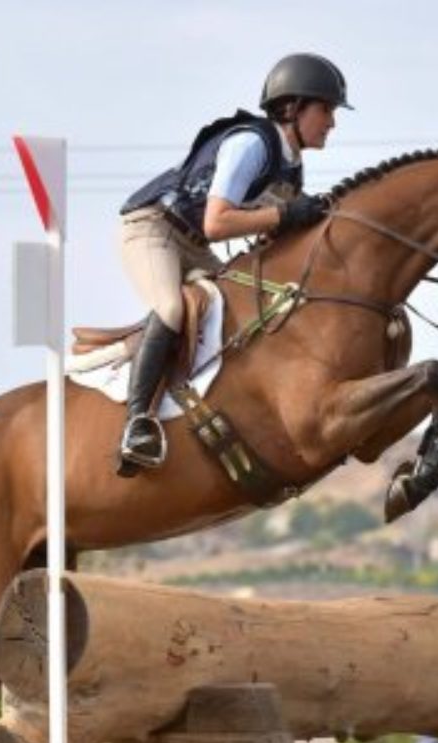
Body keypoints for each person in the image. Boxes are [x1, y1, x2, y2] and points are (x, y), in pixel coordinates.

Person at [113, 52, 351, 476]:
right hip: (153, 231)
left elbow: (270, 232)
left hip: (194, 244)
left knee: (240, 310)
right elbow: (218, 220)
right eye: (326, 109)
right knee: (170, 308)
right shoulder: (252, 145)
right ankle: (137, 423)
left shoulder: (291, 165)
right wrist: (283, 216)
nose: (332, 121)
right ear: (293, 107)